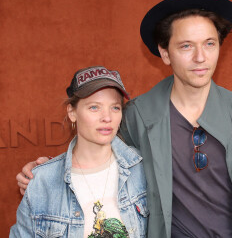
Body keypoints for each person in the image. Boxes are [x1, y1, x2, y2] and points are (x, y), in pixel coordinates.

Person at [16, 0, 232, 238]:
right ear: (165, 53)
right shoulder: (139, 115)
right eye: (186, 46)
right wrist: (46, 173)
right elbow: (100, 157)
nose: (201, 57)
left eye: (210, 43)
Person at [11, 66, 148, 238]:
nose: (107, 117)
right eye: (94, 107)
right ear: (72, 112)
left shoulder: (142, 168)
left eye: (115, 108)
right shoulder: (42, 182)